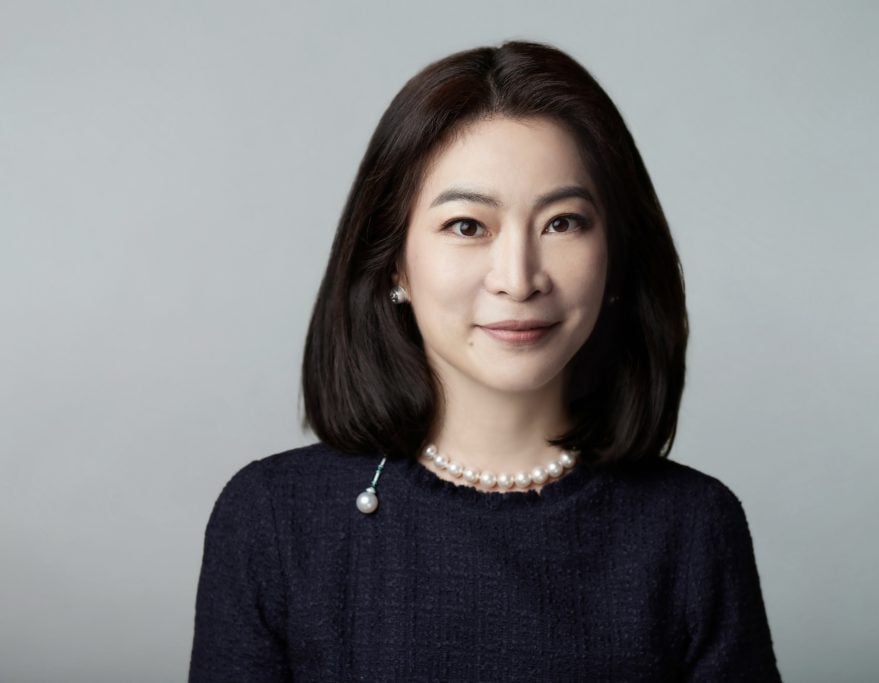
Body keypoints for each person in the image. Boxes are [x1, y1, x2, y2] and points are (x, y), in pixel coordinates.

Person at [188, 40, 782, 681]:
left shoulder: (693, 528)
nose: (518, 279)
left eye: (563, 223)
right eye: (468, 226)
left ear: (615, 258)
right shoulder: (272, 520)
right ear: (395, 264)